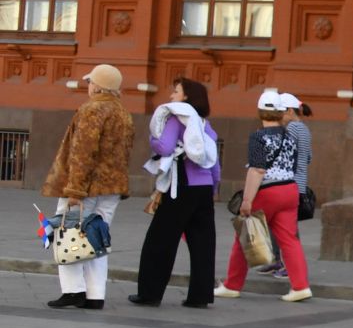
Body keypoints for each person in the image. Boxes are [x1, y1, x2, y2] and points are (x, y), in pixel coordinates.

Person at [42, 64, 132, 310]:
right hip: (112, 187)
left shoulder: (92, 110)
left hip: (87, 187)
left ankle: (73, 291)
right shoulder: (122, 113)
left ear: (98, 86)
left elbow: (83, 153)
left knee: (69, 233)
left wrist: (75, 191)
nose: (89, 86)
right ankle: (95, 295)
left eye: (91, 82)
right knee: (97, 238)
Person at [130, 78, 221, 308]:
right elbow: (215, 163)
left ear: (187, 96)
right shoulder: (204, 123)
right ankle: (200, 296)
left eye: (176, 91)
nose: (171, 96)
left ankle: (150, 293)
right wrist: (213, 188)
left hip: (180, 187)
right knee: (203, 243)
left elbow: (166, 147)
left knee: (160, 240)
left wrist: (153, 138)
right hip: (204, 188)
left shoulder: (177, 118)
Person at [214, 91, 312, 303]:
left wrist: (247, 200)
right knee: (290, 240)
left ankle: (232, 285)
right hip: (290, 190)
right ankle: (300, 286)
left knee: (244, 237)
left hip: (268, 191)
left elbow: (257, 170)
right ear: (279, 112)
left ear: (260, 112)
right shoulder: (289, 136)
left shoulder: (258, 137)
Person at [264, 94, 313, 280]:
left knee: (288, 230)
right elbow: (308, 157)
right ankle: (278, 260)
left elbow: (284, 153)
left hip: (288, 182)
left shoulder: (292, 128)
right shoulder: (304, 129)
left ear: (290, 111)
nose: (278, 117)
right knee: (280, 226)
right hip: (299, 183)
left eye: (280, 112)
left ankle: (288, 265)